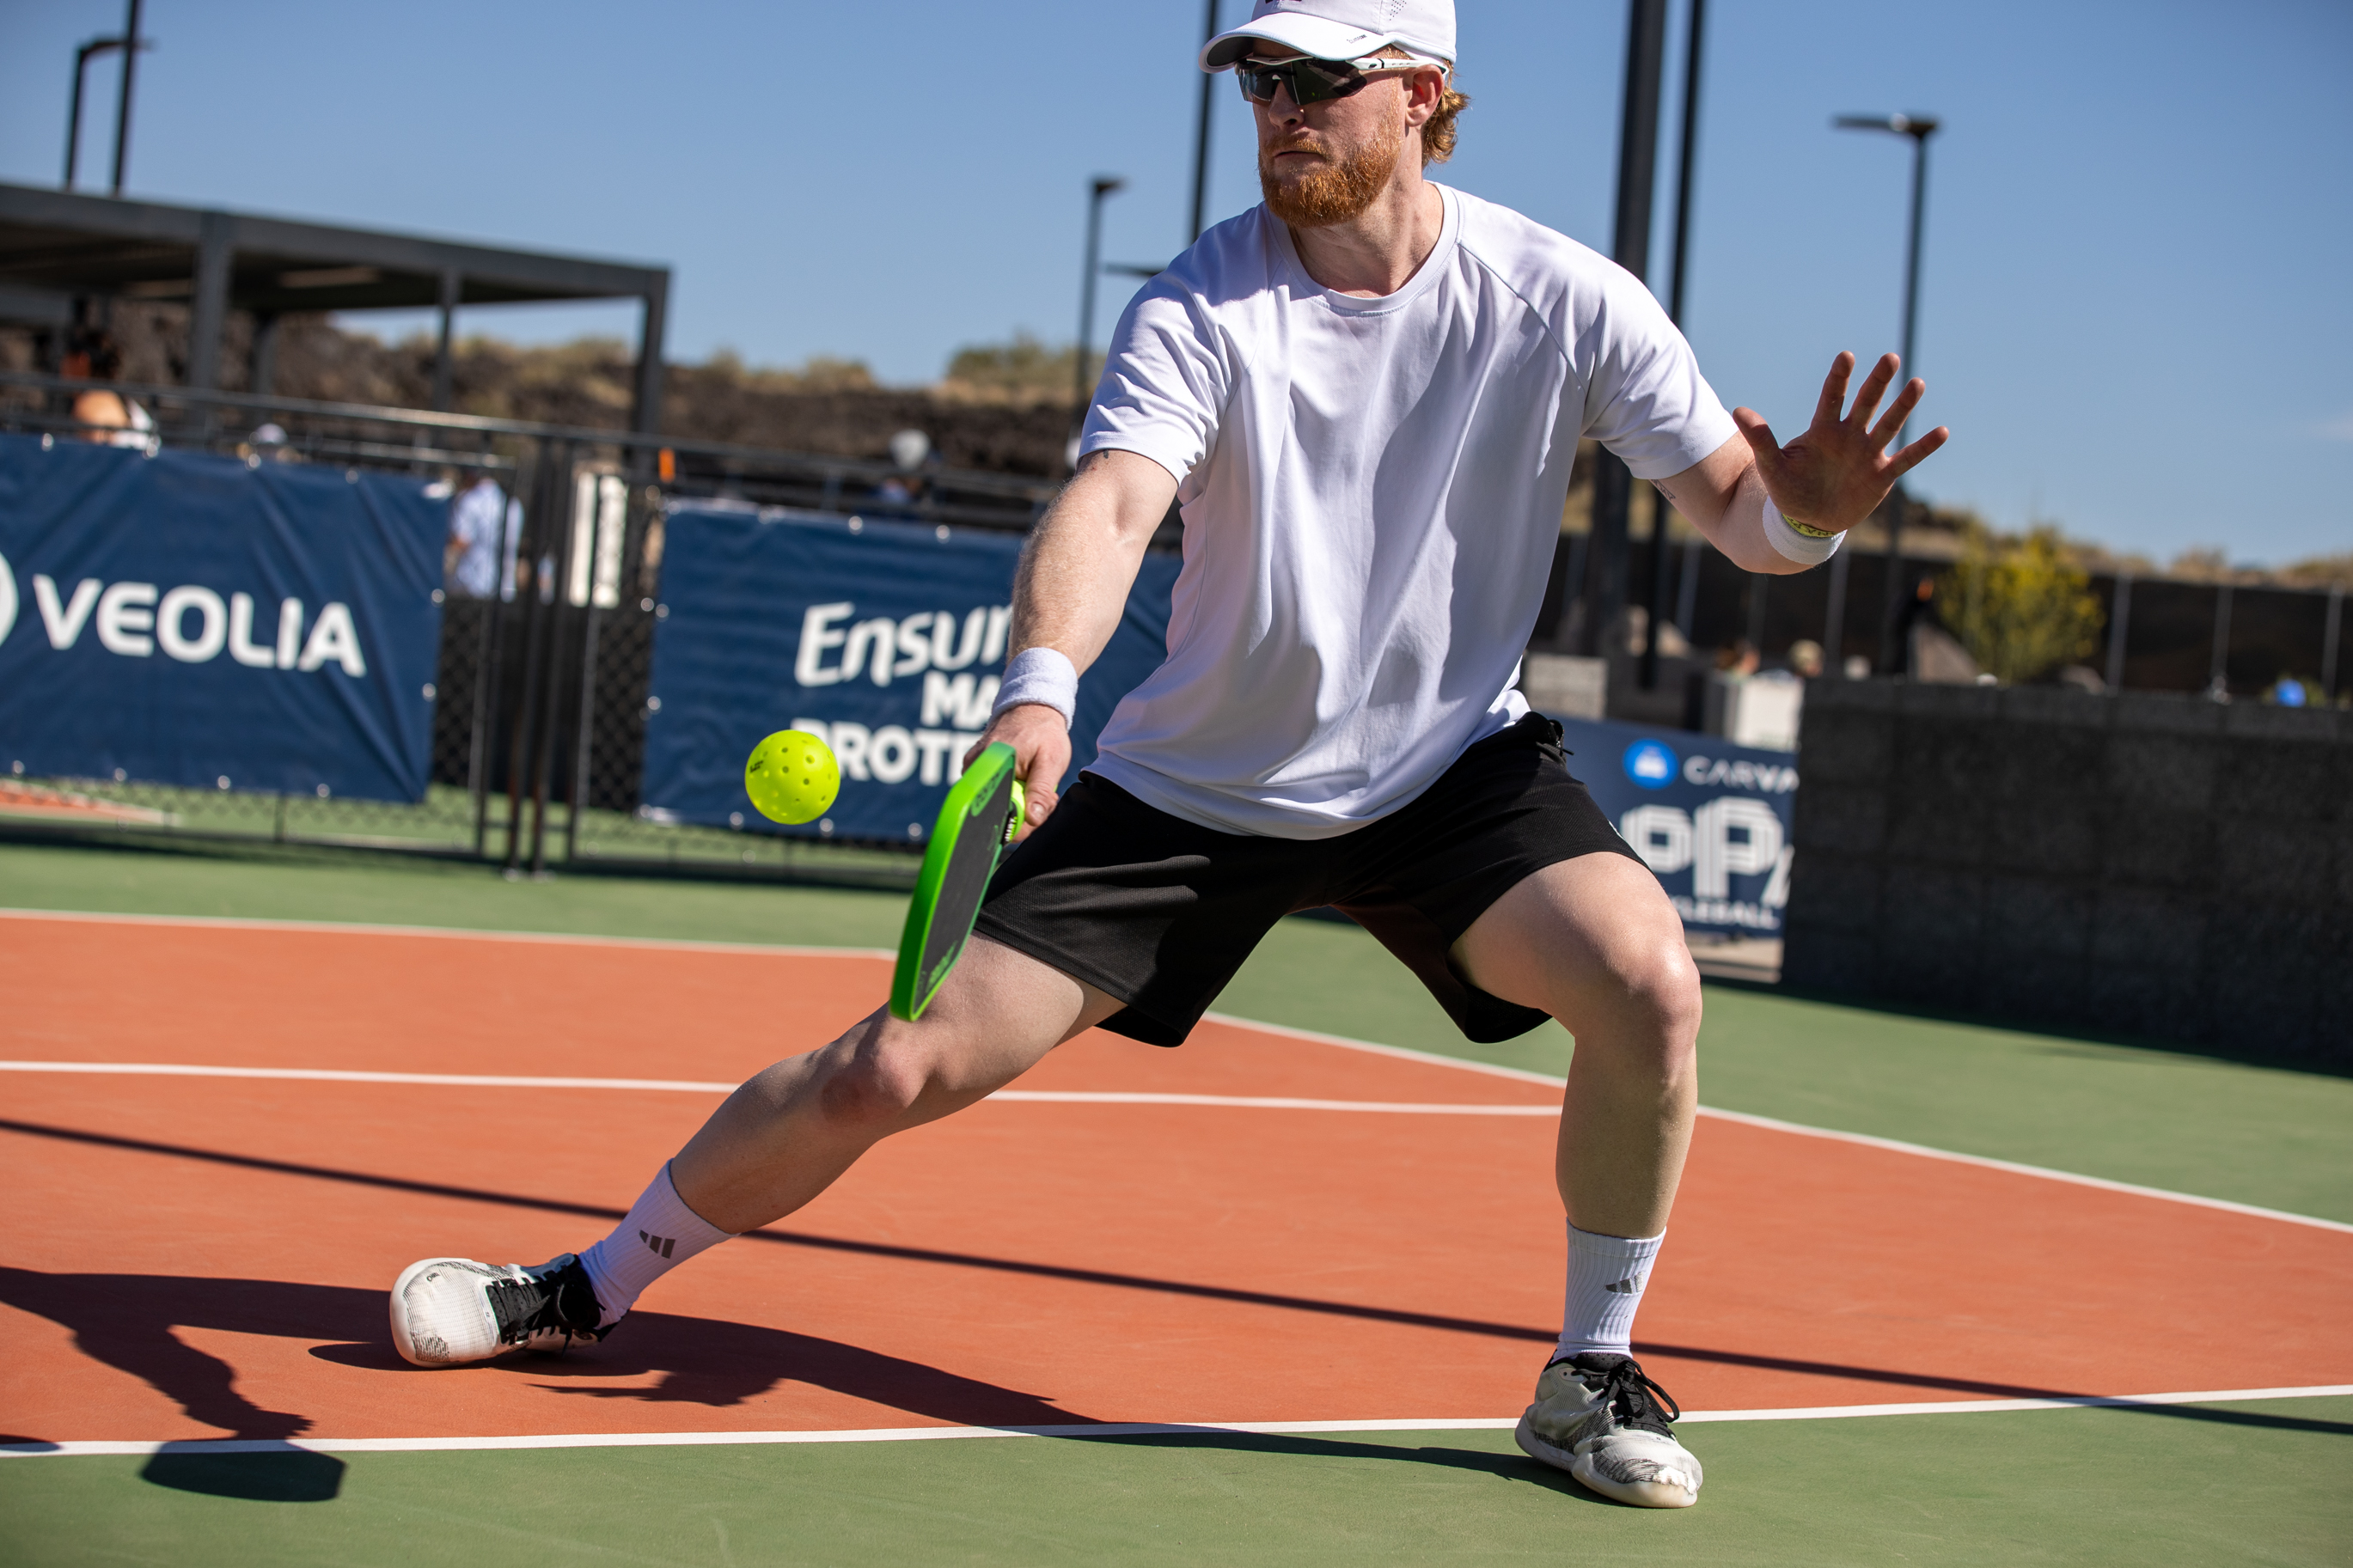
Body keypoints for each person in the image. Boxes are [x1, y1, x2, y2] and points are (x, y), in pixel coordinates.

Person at [388, 0, 1945, 1510]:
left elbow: (1746, 519)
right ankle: (584, 1285)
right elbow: (1115, 503)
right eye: (1258, 83)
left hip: (1444, 770)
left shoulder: (1563, 299)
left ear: (1420, 94)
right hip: (1195, 784)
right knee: (885, 1069)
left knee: (1650, 985)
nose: (1278, 113)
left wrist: (1808, 510)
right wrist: (1040, 689)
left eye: (1315, 82)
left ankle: (1586, 1373)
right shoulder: (1198, 301)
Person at [60, 329, 158, 455]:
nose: (62, 366)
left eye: (66, 359)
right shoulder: (114, 398)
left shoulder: (92, 404)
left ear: (81, 361)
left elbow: (94, 460)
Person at [444, 474, 521, 601]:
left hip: (472, 585)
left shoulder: (470, 500)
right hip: (505, 586)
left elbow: (462, 541)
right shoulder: (514, 504)